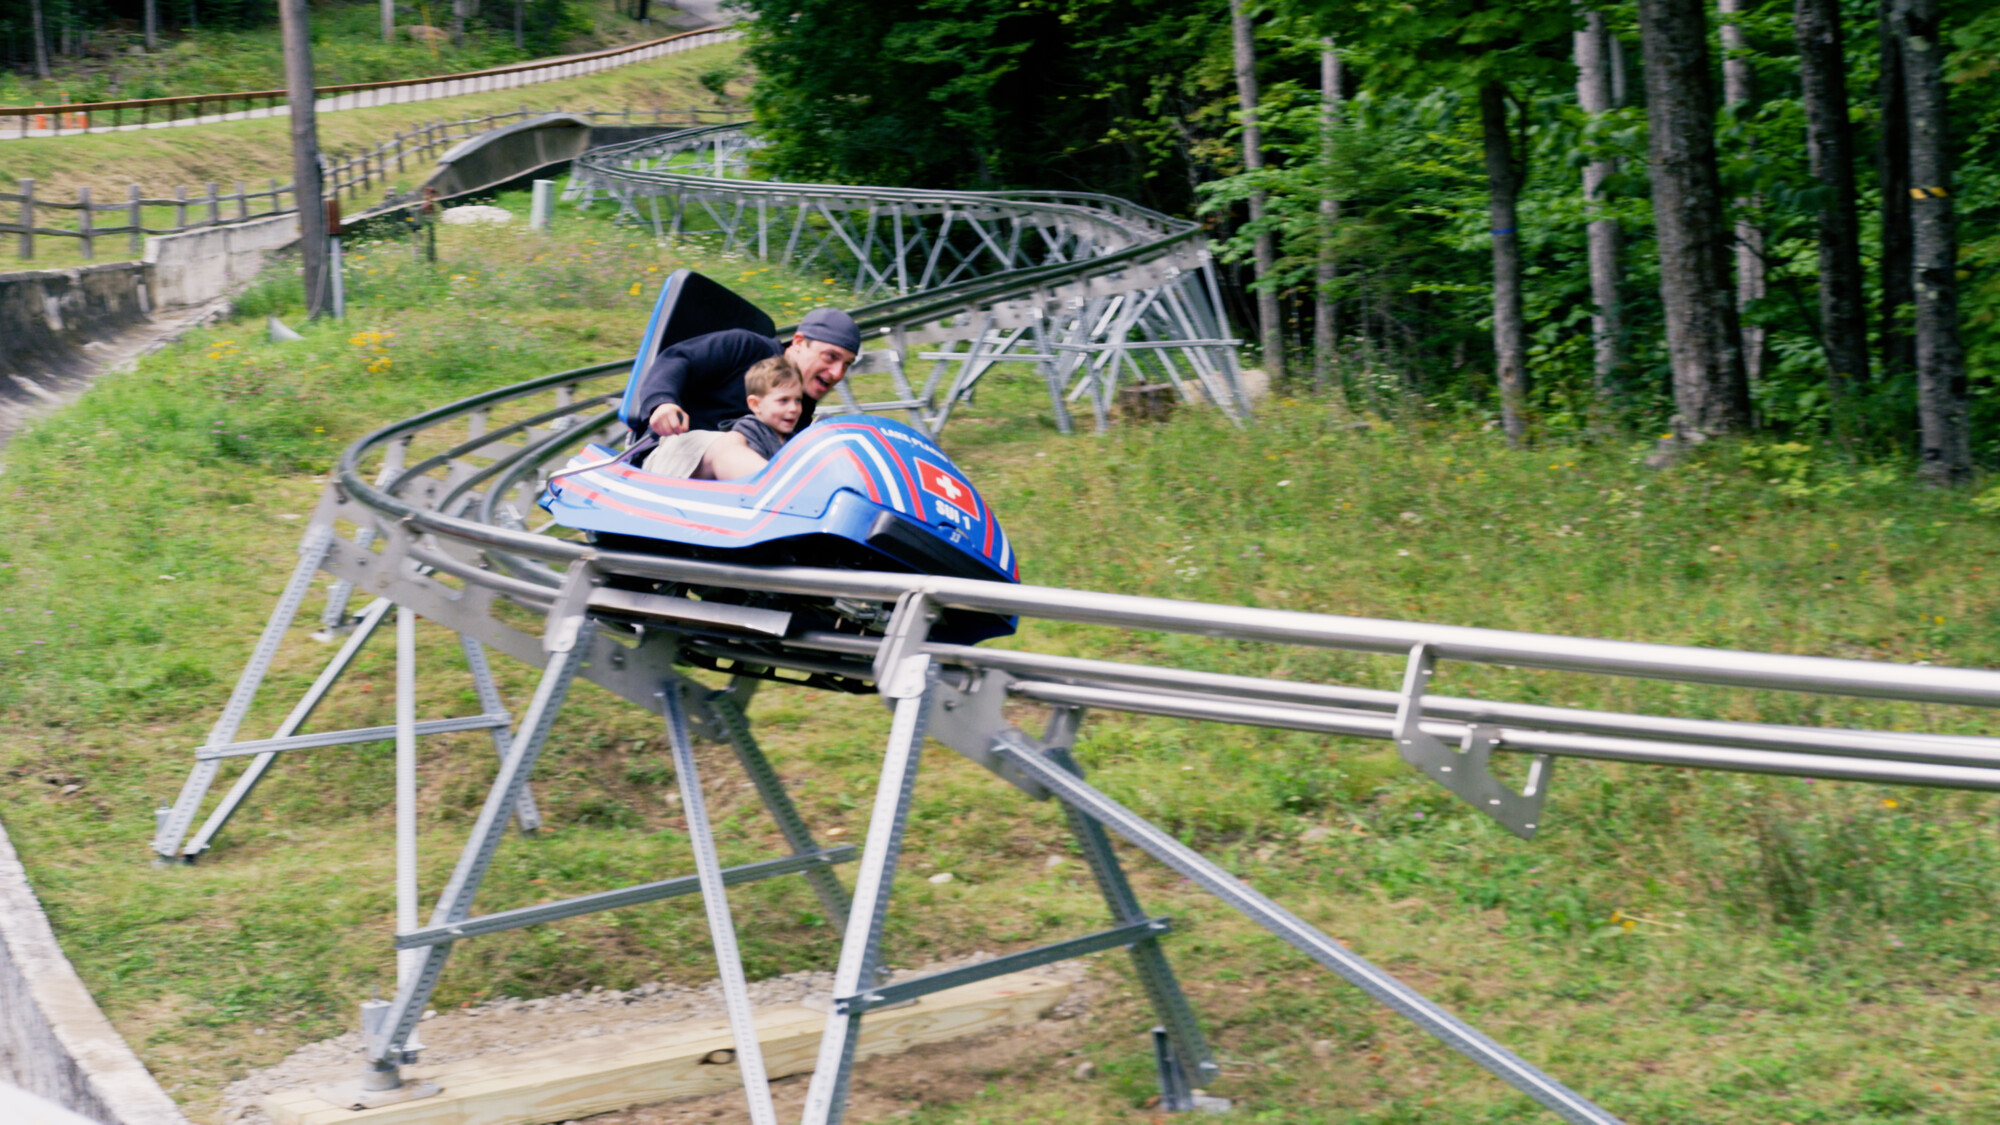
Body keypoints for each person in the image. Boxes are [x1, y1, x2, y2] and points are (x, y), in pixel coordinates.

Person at [632, 307, 860, 480]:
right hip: (670, 457)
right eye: (831, 357)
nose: (838, 373)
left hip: (729, 491)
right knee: (732, 442)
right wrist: (662, 403)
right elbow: (677, 359)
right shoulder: (746, 347)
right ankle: (784, 492)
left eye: (847, 365)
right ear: (799, 342)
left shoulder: (798, 410)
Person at [718, 356, 806, 463]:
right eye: (783, 400)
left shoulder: (792, 438)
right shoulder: (748, 432)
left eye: (798, 400)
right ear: (756, 405)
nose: (794, 408)